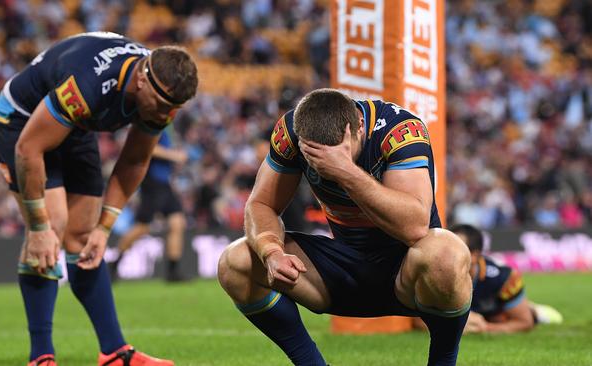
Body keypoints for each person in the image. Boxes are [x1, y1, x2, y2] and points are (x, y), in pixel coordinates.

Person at [217, 88, 473, 366]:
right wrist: (271, 252)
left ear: (359, 128)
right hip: (343, 266)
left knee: (447, 252)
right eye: (316, 159)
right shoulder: (291, 132)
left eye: (341, 153)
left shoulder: (401, 130)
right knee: (235, 261)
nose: (323, 165)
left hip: (408, 270)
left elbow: (414, 227)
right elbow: (261, 204)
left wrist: (344, 170)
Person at [0, 32, 198, 366]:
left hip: (75, 124)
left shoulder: (163, 95)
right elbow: (29, 149)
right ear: (142, 79)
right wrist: (39, 226)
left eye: (173, 109)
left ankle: (114, 353)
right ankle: (41, 356)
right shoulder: (88, 83)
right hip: (22, 122)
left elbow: (134, 160)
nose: (164, 116)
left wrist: (105, 228)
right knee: (53, 226)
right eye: (161, 106)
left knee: (84, 237)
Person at [449, 224, 563, 334]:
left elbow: (524, 323)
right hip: (471, 310)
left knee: (499, 318)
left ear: (474, 255)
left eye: (456, 250)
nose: (447, 255)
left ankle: (534, 310)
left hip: (495, 311)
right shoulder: (434, 273)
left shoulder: (502, 278)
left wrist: (485, 328)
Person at [112, 126, 188, 282]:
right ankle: (113, 265)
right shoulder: (155, 122)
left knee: (177, 223)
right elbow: (147, 147)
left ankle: (173, 272)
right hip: (152, 182)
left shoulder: (166, 126)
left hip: (164, 184)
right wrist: (174, 156)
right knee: (142, 227)